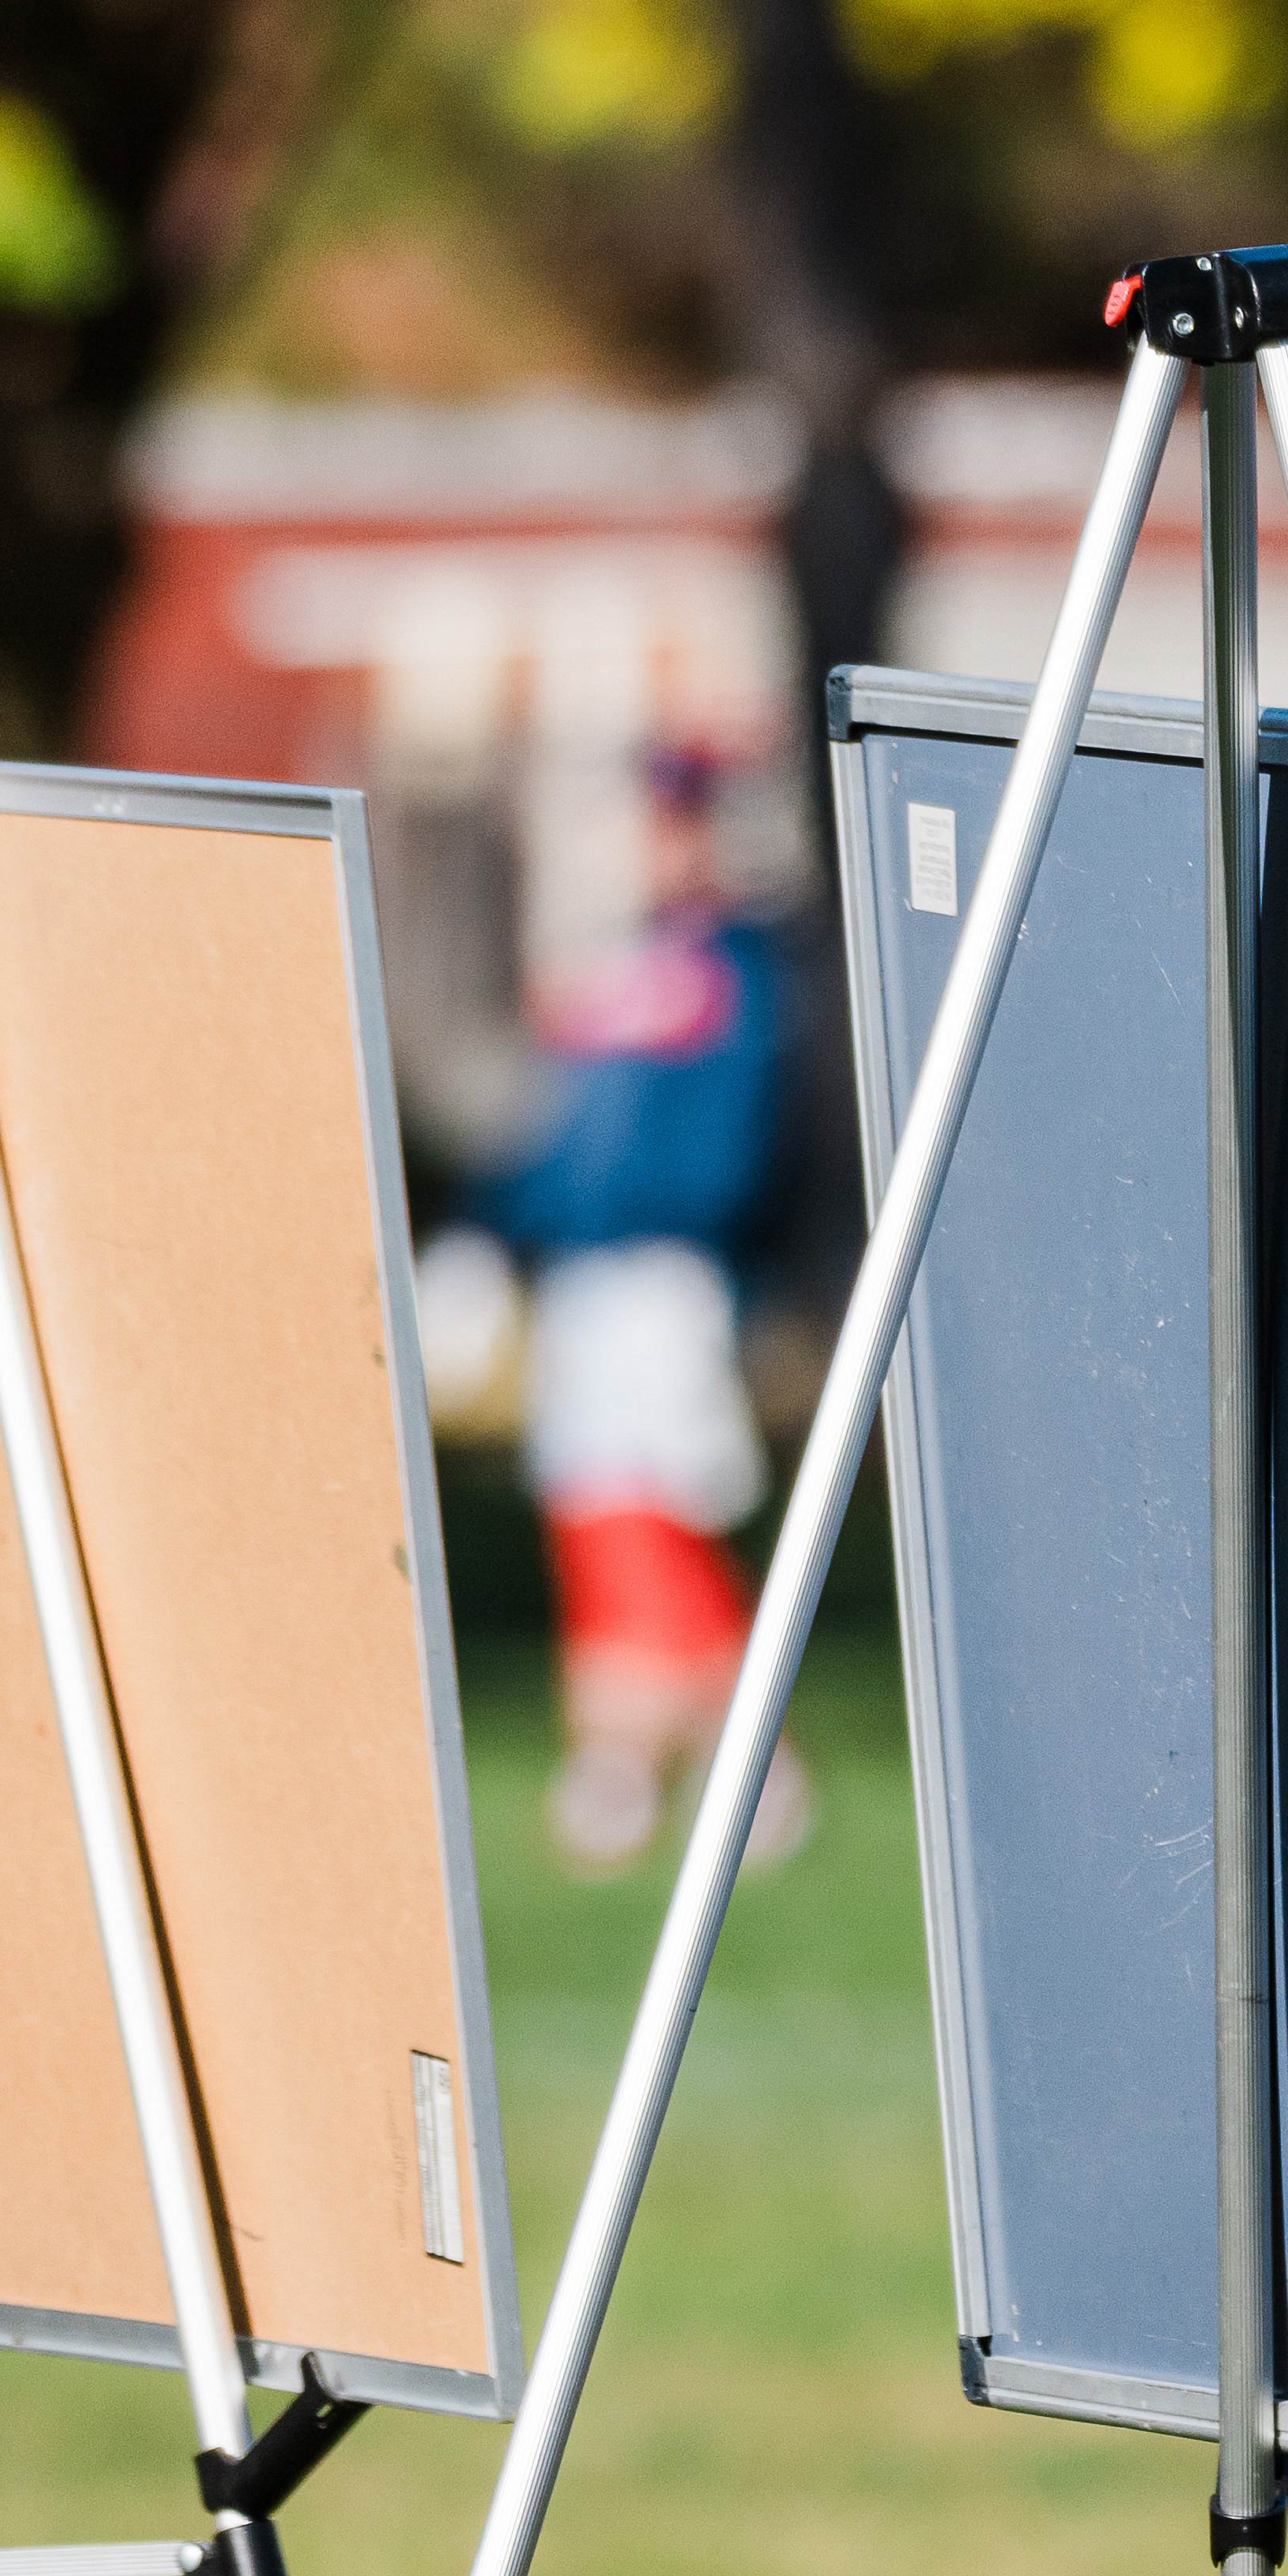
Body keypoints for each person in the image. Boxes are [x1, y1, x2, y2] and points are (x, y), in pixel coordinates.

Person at [461, 749, 810, 1873]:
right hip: (581, 1278)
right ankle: (624, 1753)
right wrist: (494, 1230)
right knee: (592, 1506)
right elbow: (560, 1145)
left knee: (646, 1507)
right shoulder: (616, 970)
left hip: (665, 1273)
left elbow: (717, 1154)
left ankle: (737, 1758)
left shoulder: (735, 972)